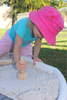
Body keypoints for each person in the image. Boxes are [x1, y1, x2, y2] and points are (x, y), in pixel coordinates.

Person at [0, 6, 64, 71]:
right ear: (35, 22)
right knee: (1, 49)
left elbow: (38, 43)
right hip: (11, 37)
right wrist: (17, 62)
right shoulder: (23, 26)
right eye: (40, 31)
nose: (40, 36)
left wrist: (35, 57)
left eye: (44, 34)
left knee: (27, 59)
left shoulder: (38, 33)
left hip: (26, 42)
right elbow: (17, 47)